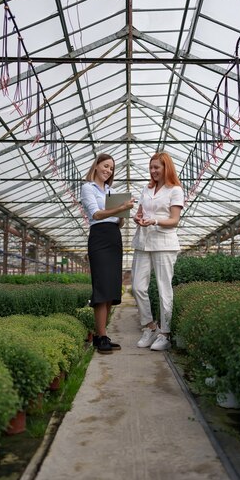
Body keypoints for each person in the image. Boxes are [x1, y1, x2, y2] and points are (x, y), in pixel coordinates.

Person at [81, 153, 135, 354]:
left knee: (111, 290)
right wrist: (119, 208)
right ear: (96, 166)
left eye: (111, 168)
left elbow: (116, 220)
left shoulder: (111, 191)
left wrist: (122, 215)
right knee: (102, 288)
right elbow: (95, 214)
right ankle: (100, 335)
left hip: (114, 237)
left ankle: (103, 335)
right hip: (99, 237)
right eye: (105, 166)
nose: (108, 170)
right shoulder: (88, 187)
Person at [131, 151, 184, 351]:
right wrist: (138, 219)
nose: (153, 171)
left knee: (164, 289)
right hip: (143, 242)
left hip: (164, 242)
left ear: (166, 168)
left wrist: (154, 221)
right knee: (137, 287)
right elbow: (139, 213)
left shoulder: (175, 190)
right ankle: (150, 327)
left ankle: (165, 333)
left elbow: (174, 220)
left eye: (156, 167)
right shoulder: (146, 189)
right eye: (151, 167)